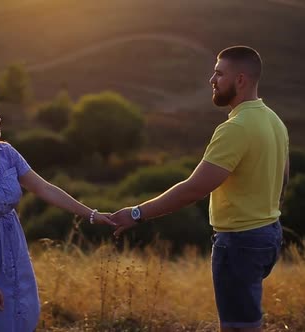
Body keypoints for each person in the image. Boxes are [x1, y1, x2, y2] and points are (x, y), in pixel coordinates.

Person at [110, 46, 289, 332]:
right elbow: (283, 179)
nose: (212, 80)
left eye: (219, 73)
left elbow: (194, 189)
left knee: (238, 327)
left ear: (240, 80)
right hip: (269, 233)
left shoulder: (236, 128)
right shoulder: (274, 120)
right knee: (246, 318)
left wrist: (136, 213)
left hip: (240, 241)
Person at [0, 89, 114, 331]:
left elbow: (44, 188)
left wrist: (91, 214)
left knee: (25, 318)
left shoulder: (7, 153)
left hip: (15, 250)